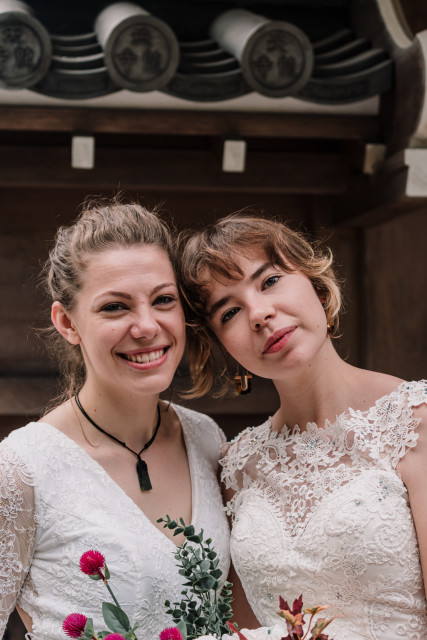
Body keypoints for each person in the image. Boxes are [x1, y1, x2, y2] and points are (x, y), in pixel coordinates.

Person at [178, 212, 427, 639]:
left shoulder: (414, 419)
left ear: (317, 284)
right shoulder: (237, 467)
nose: (259, 314)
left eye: (270, 280)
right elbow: (246, 627)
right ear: (223, 345)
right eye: (230, 312)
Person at [0, 200, 230, 640]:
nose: (146, 326)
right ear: (67, 322)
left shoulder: (205, 437)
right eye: (115, 307)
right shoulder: (20, 470)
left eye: (163, 300)